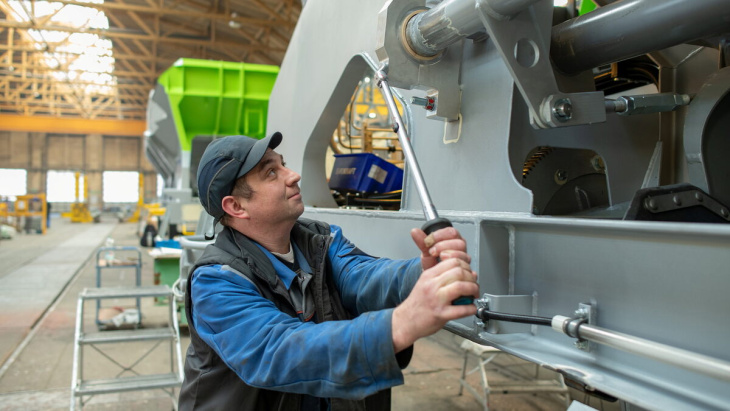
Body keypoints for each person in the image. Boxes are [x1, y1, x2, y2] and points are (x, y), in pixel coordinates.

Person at [179, 132, 479, 410]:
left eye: (283, 165)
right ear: (236, 207)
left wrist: (423, 272)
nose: (293, 176)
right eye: (271, 172)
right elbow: (279, 352)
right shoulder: (216, 280)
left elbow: (364, 276)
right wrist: (399, 324)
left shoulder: (320, 240)